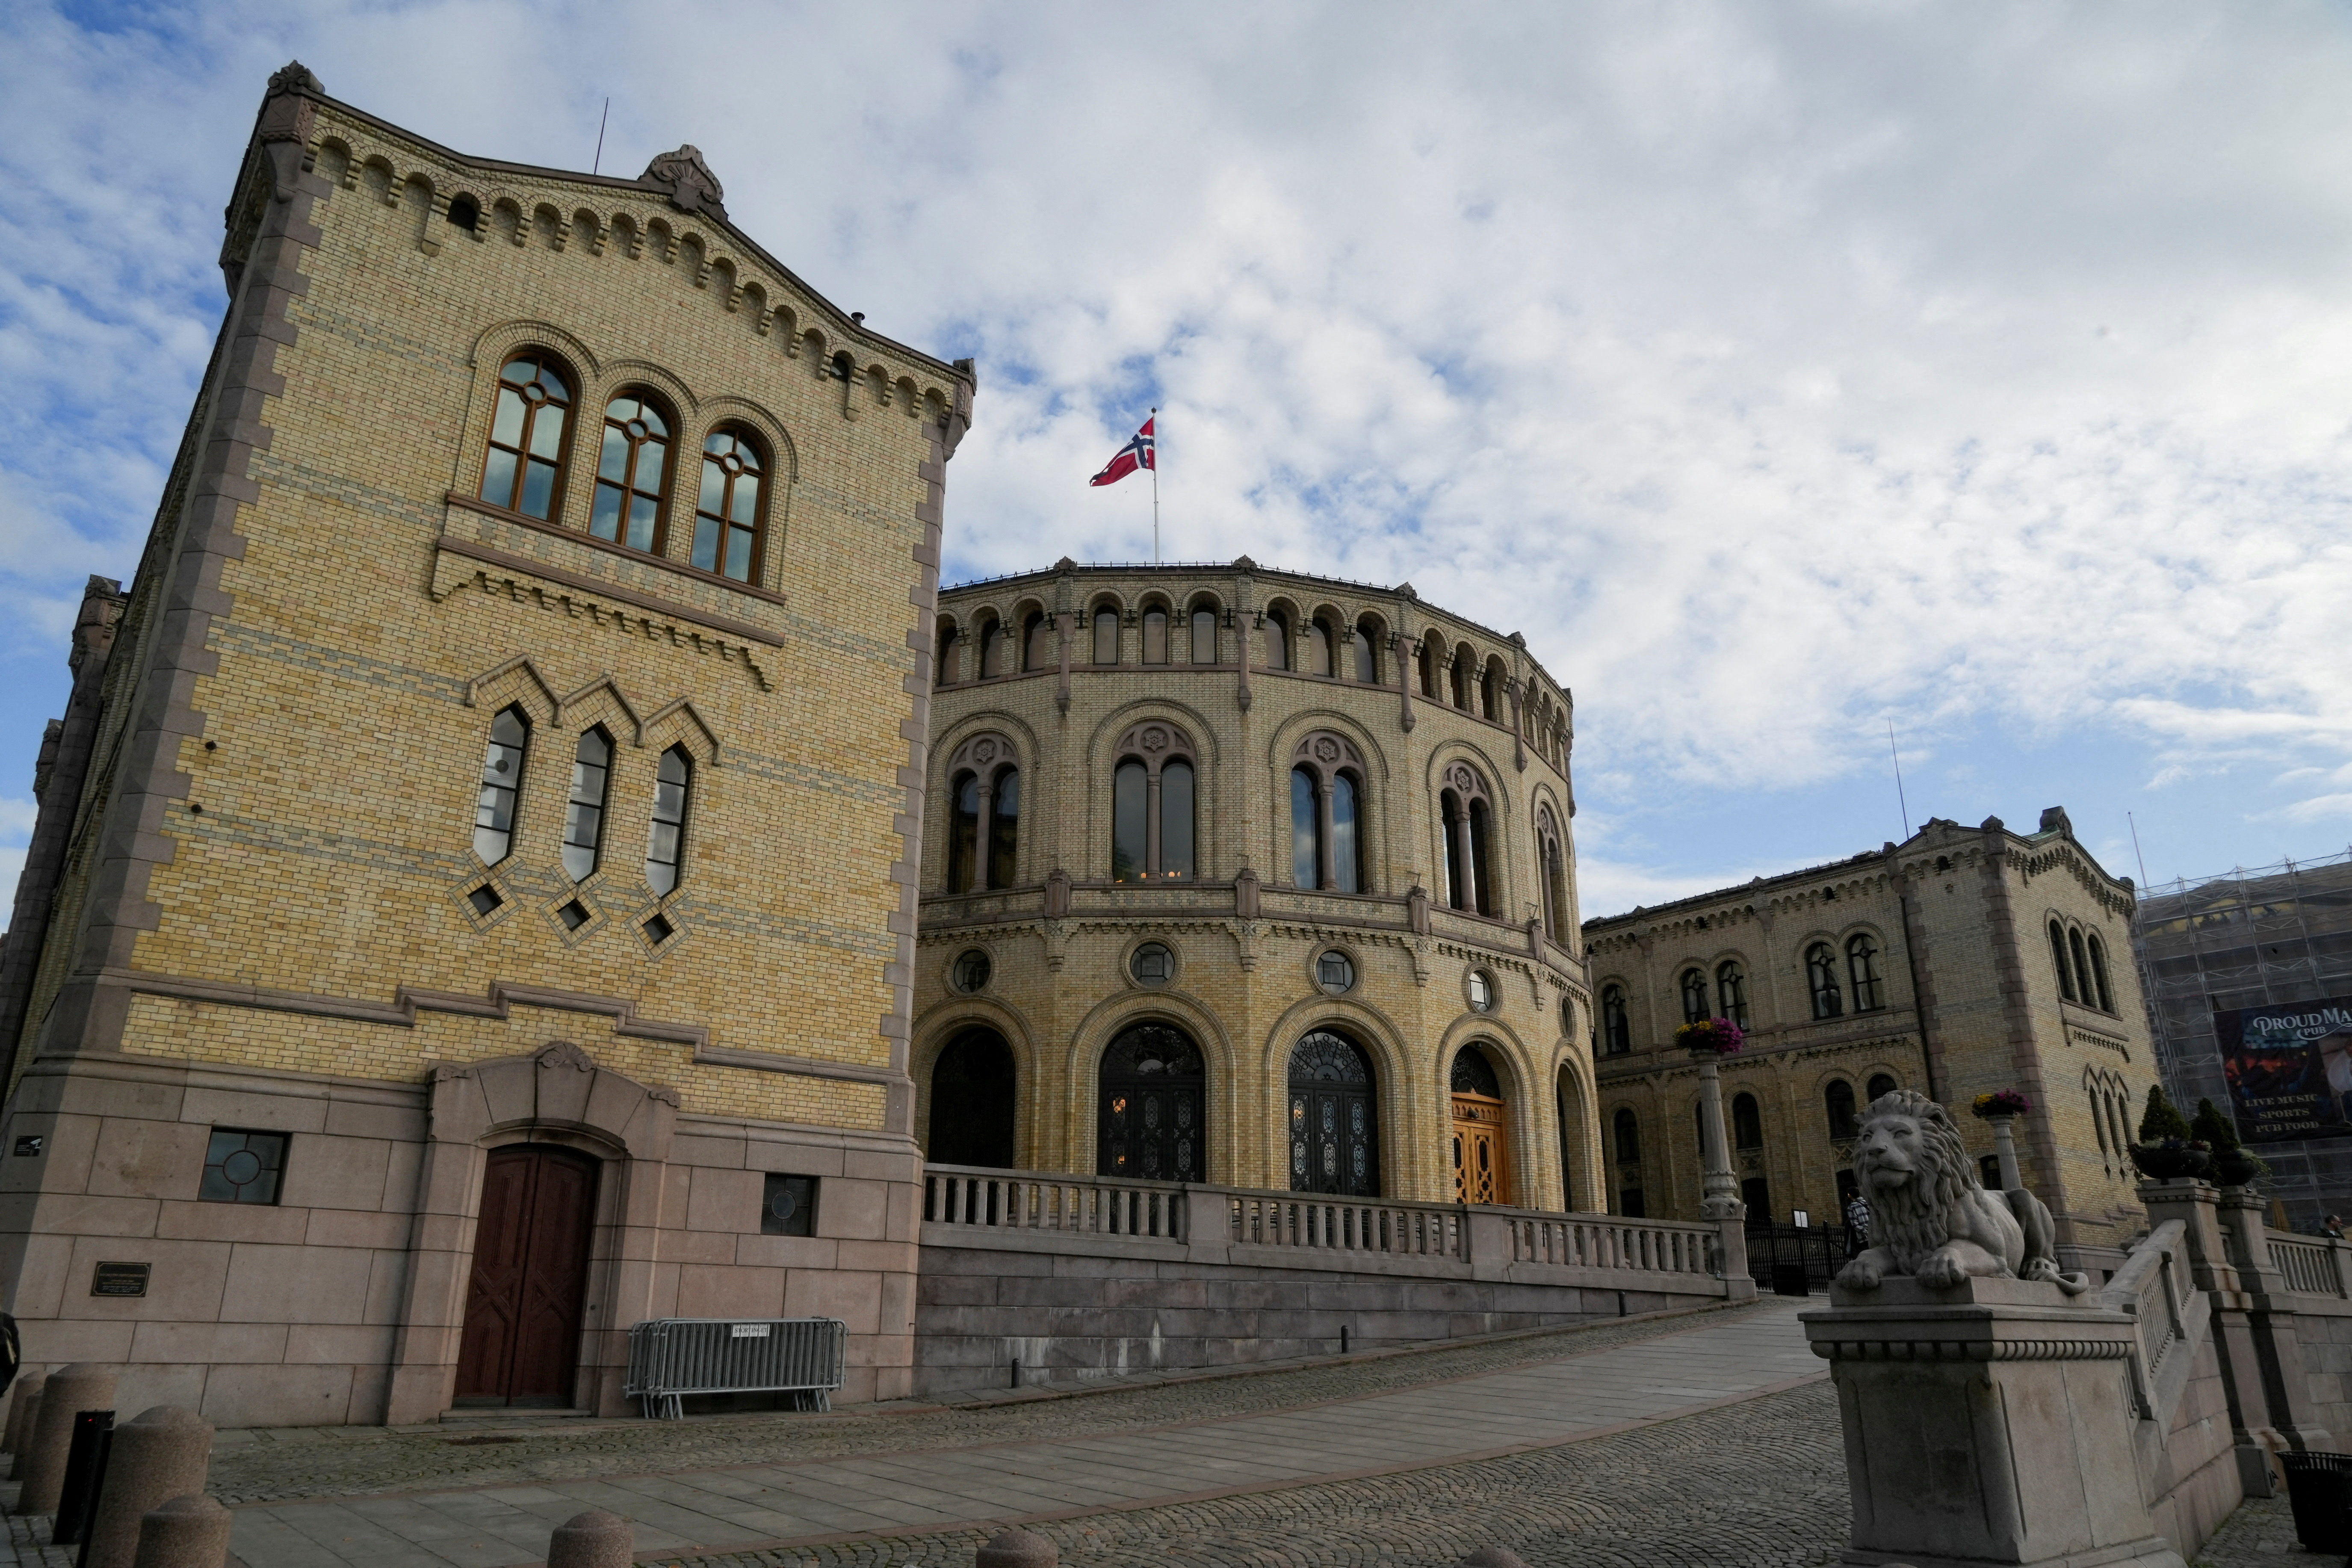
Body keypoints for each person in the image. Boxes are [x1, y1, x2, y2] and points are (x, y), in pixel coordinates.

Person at [1844, 1192, 1872, 1256]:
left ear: (1850, 1195)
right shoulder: (1867, 1203)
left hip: (1862, 1237)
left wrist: (1866, 1232)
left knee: (1862, 1257)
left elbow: (1855, 1224)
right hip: (1872, 1235)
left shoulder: (1852, 1207)